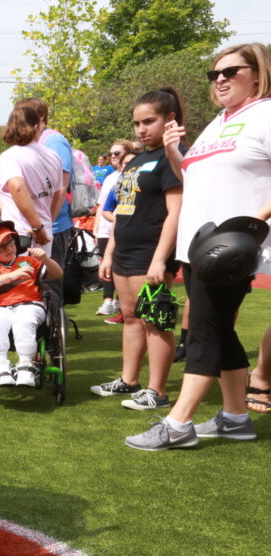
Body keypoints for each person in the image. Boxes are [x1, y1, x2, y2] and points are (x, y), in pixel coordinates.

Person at [125, 43, 271, 450]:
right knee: (219, 330)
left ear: (257, 74)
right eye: (214, 74)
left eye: (231, 71)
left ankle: (178, 423)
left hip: (231, 248)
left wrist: (254, 222)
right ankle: (235, 417)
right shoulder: (220, 122)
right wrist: (173, 151)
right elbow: (192, 181)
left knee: (203, 330)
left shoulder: (266, 114)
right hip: (198, 245)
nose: (220, 79)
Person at [94, 88, 185, 411]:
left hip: (151, 252)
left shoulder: (171, 157)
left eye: (149, 121)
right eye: (136, 123)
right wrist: (108, 253)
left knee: (155, 321)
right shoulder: (138, 160)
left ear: (170, 119)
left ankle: (157, 391)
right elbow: (122, 211)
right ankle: (129, 380)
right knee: (131, 318)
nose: (141, 130)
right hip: (124, 251)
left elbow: (176, 212)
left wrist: (161, 259)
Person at [0, 221, 64, 387]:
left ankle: (26, 364)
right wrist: (11, 276)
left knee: (24, 318)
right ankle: (1, 365)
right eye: (2, 247)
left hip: (30, 305)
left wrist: (45, 259)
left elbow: (57, 274)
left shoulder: (28, 261)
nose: (9, 248)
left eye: (11, 242)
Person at [0, 101, 65, 258]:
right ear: (36, 126)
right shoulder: (53, 156)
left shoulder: (10, 156)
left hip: (20, 234)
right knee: (40, 278)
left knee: (21, 280)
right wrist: (45, 223)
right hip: (44, 231)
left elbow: (17, 187)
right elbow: (59, 192)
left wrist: (37, 227)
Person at [23, 98, 76, 300]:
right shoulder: (32, 143)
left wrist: (47, 223)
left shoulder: (54, 141)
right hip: (33, 226)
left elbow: (61, 187)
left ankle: (53, 328)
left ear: (40, 118)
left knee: (49, 280)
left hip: (52, 226)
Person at [92, 140, 136, 318]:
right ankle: (107, 300)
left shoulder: (131, 178)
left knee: (122, 265)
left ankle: (120, 302)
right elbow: (102, 206)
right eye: (111, 154)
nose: (113, 157)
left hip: (125, 228)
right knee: (106, 264)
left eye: (117, 153)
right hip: (105, 228)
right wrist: (96, 228)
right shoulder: (110, 178)